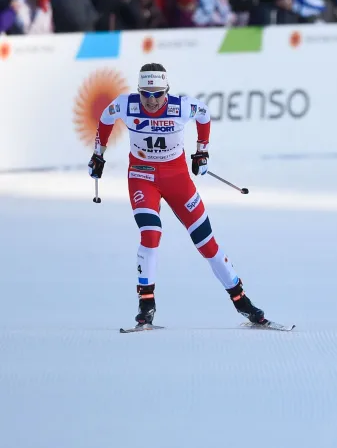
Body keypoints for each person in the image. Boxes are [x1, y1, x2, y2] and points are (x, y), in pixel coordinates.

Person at [88, 63, 282, 331]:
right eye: (146, 94)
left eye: (158, 94)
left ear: (167, 91)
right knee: (151, 233)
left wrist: (202, 151)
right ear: (139, 91)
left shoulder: (181, 107)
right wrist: (99, 154)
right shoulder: (126, 105)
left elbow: (204, 115)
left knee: (206, 243)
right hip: (142, 177)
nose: (152, 100)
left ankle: (242, 301)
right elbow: (106, 119)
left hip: (178, 180)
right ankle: (146, 307)